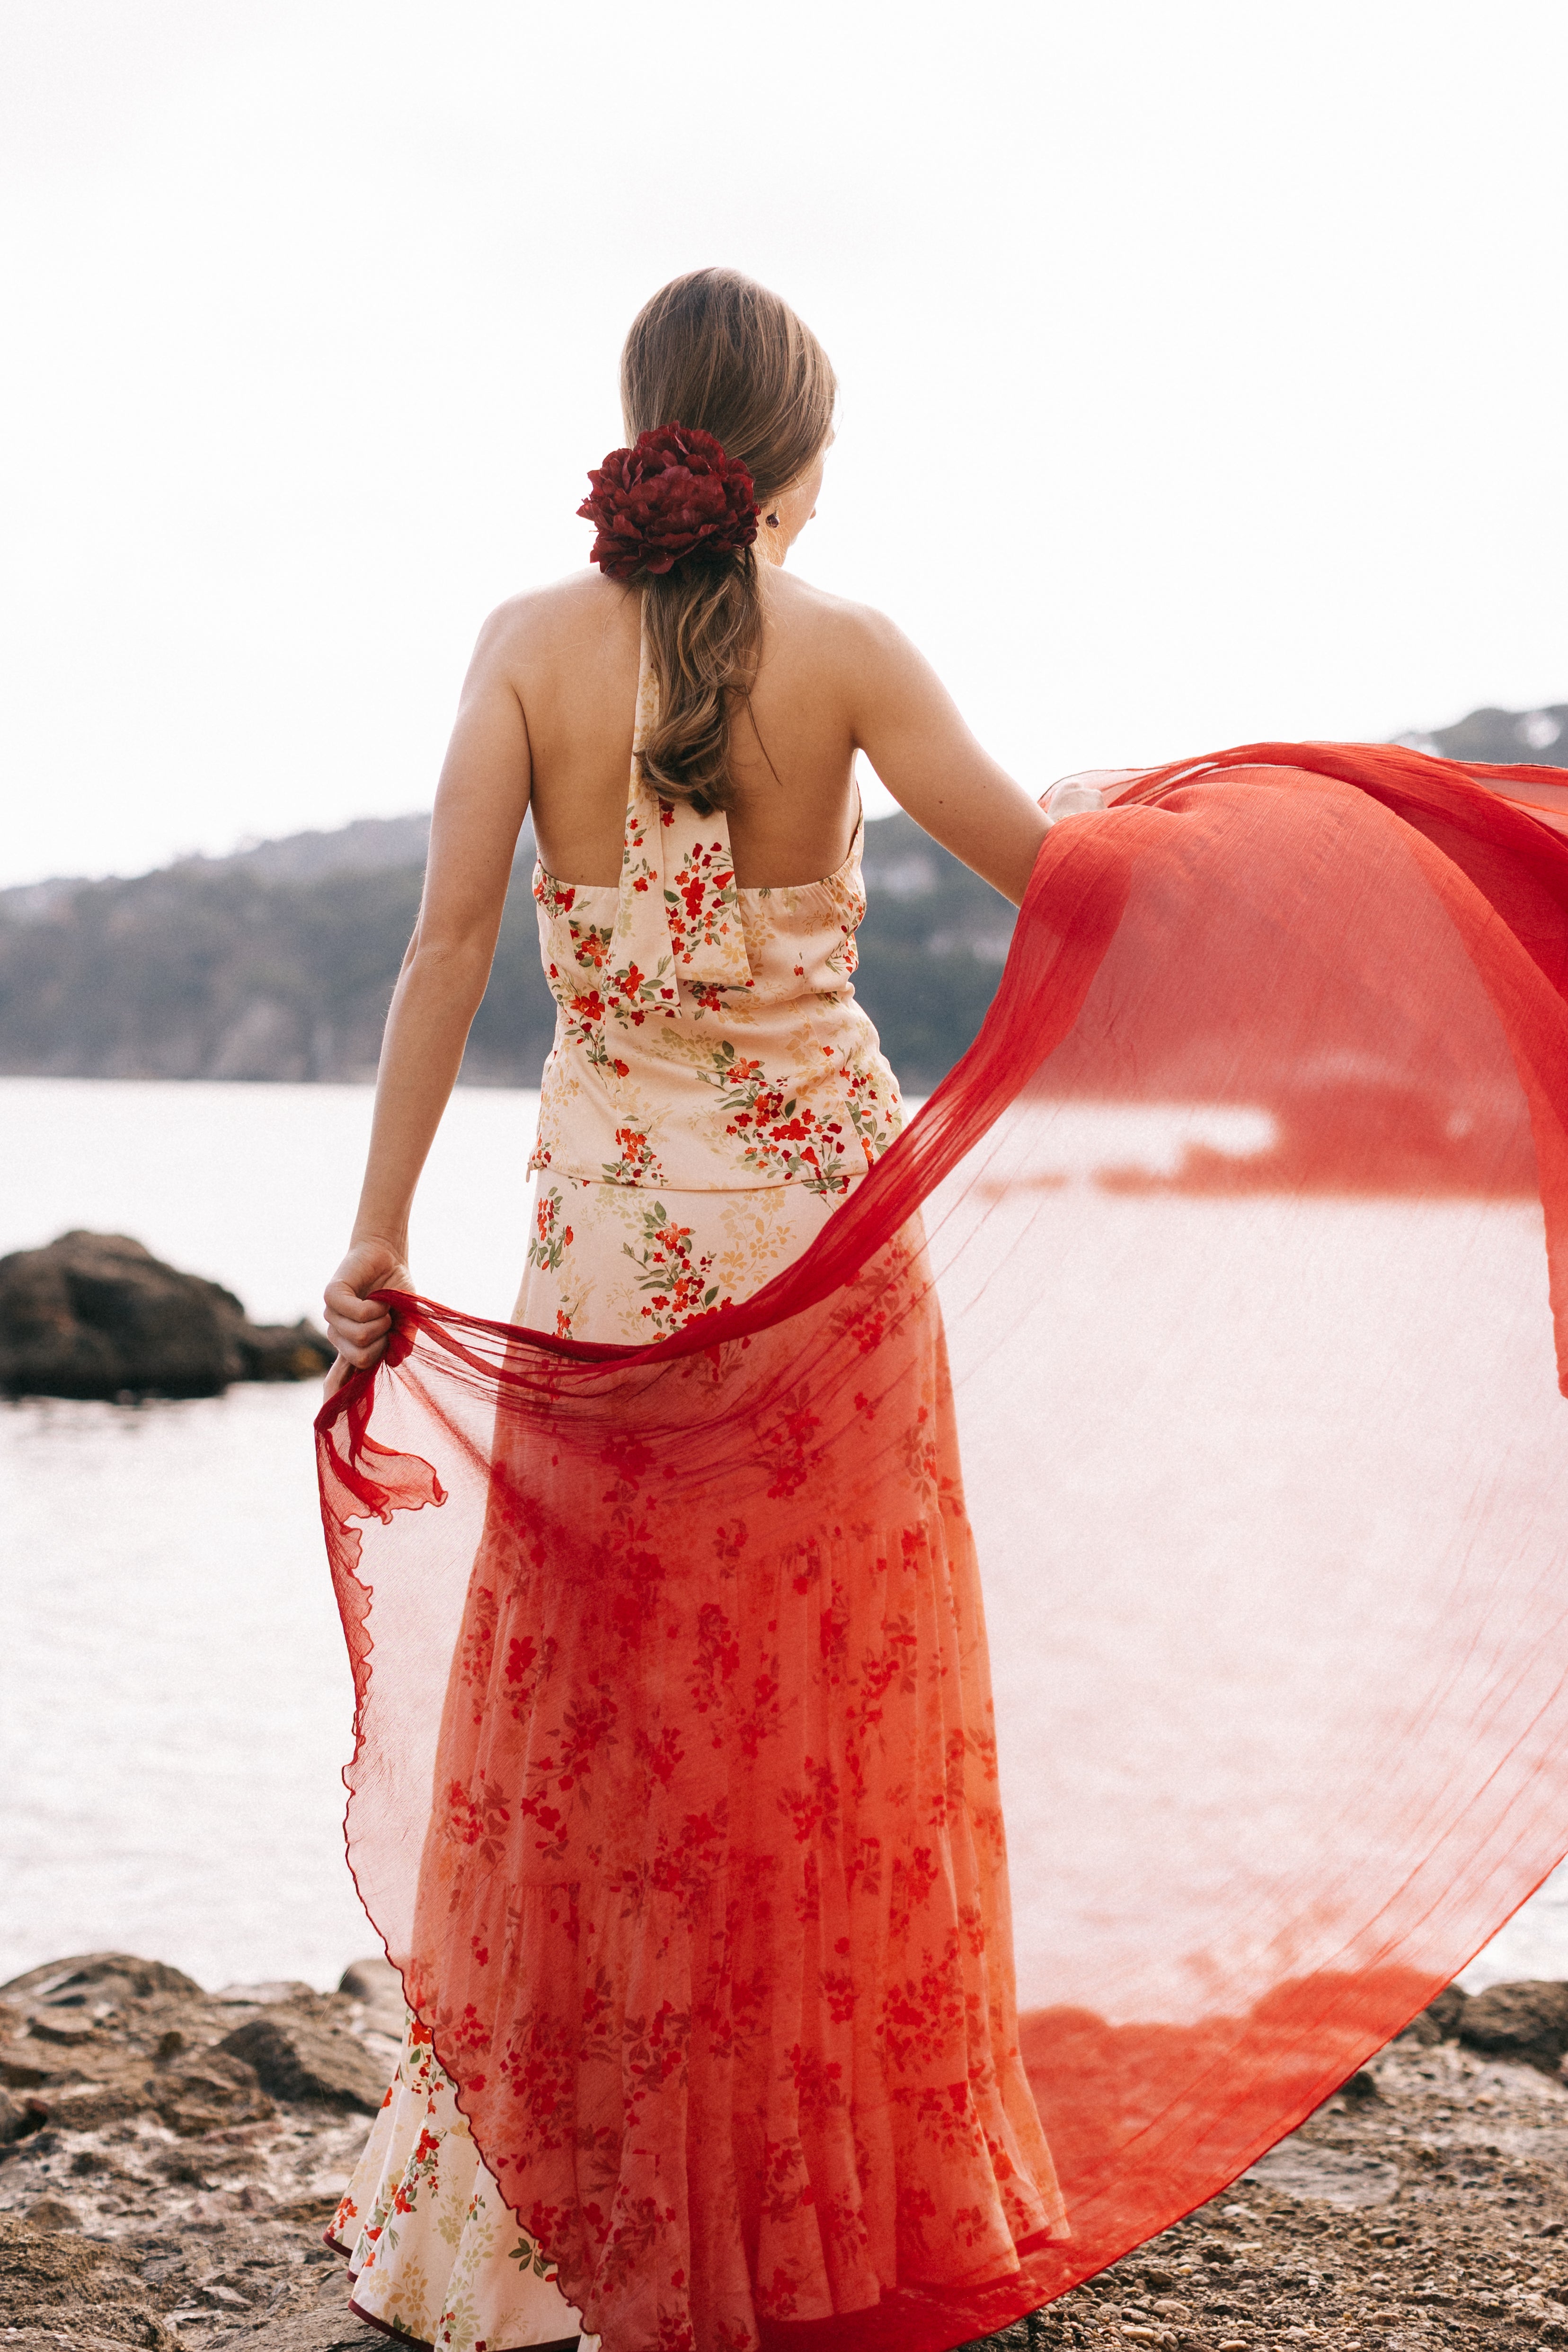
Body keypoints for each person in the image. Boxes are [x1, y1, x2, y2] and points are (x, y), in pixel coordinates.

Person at [319, 267, 1088, 2351]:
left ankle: (541, 2239)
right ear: (799, 457)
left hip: (611, 1249)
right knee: (829, 1699)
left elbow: (444, 951)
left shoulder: (524, 643)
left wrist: (376, 1235)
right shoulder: (851, 648)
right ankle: (821, 2217)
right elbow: (1054, 881)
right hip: (819, 1246)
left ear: (647, 419)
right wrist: (1185, 834)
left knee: (599, 1706)